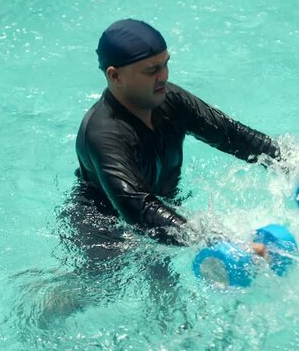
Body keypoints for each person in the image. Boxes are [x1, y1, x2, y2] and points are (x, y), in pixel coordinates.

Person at [73, 19, 281, 249]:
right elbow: (139, 209)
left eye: (165, 65)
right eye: (152, 70)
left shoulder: (171, 100)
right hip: (104, 231)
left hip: (161, 214)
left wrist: (291, 161)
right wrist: (220, 243)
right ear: (115, 76)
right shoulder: (103, 133)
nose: (163, 77)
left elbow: (230, 134)